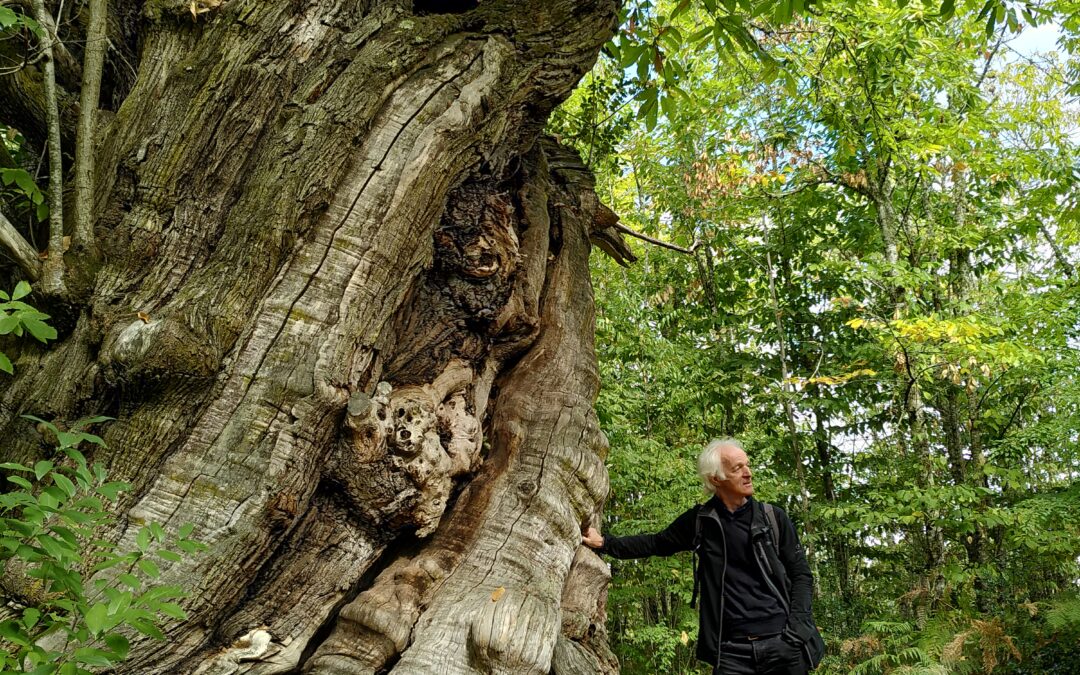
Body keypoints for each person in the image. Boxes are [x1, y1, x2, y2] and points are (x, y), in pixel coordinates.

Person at [582, 439, 825, 674]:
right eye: (737, 468)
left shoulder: (773, 519)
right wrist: (605, 543)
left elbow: (801, 574)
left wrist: (797, 629)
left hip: (782, 644)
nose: (748, 473)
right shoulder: (701, 522)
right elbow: (657, 543)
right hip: (731, 652)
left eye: (747, 465)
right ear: (715, 478)